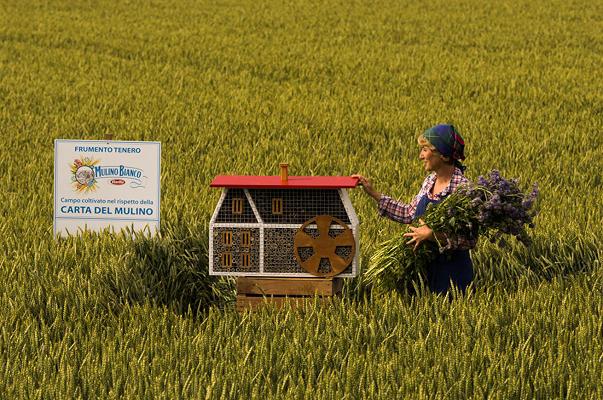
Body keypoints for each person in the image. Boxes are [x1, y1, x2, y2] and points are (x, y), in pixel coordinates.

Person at [353, 124, 476, 295]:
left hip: (451, 278)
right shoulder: (429, 181)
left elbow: (469, 239)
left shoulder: (463, 190)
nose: (421, 156)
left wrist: (432, 235)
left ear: (444, 155)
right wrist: (374, 194)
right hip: (423, 272)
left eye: (425, 149)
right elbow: (409, 213)